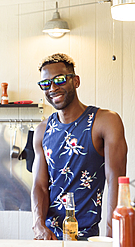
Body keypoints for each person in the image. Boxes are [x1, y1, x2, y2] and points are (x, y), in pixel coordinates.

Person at [31, 53, 127, 240]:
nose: (53, 88)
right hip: (49, 237)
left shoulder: (105, 121)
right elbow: (39, 186)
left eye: (59, 80)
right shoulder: (42, 131)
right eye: (46, 84)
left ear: (76, 81)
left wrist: (111, 236)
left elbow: (116, 180)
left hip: (89, 238)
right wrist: (38, 225)